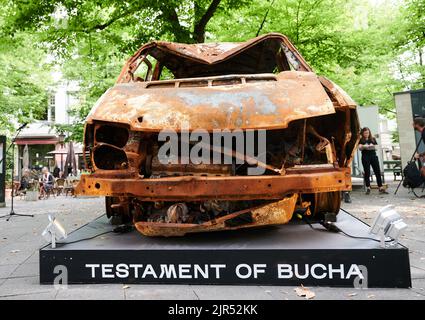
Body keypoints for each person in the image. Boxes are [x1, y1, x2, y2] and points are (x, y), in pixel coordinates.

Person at [358, 127, 388, 195]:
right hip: (365, 157)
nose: (367, 134)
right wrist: (364, 146)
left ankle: (380, 187)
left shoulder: (372, 139)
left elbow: (377, 147)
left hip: (373, 156)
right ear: (363, 133)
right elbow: (359, 148)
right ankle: (368, 187)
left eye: (368, 133)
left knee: (377, 171)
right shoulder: (361, 140)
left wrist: (372, 146)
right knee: (367, 172)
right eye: (365, 133)